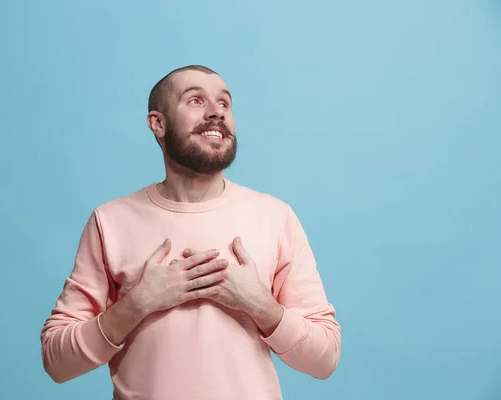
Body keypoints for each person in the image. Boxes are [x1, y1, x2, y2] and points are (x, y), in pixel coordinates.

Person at [40, 65, 341, 399]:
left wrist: (260, 305)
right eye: (196, 100)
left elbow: (324, 359)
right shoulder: (110, 221)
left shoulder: (276, 217)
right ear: (158, 123)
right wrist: (137, 304)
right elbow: (57, 362)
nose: (216, 113)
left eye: (224, 104)